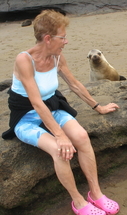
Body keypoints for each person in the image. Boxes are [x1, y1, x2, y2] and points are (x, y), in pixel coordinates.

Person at [2, 10, 120, 215]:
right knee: (60, 150)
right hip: (27, 118)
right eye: (62, 37)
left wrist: (98, 106)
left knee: (82, 137)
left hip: (53, 108)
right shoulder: (24, 60)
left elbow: (74, 84)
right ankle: (78, 201)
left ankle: (96, 194)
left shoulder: (57, 57)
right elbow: (36, 103)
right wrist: (60, 135)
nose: (66, 41)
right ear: (48, 38)